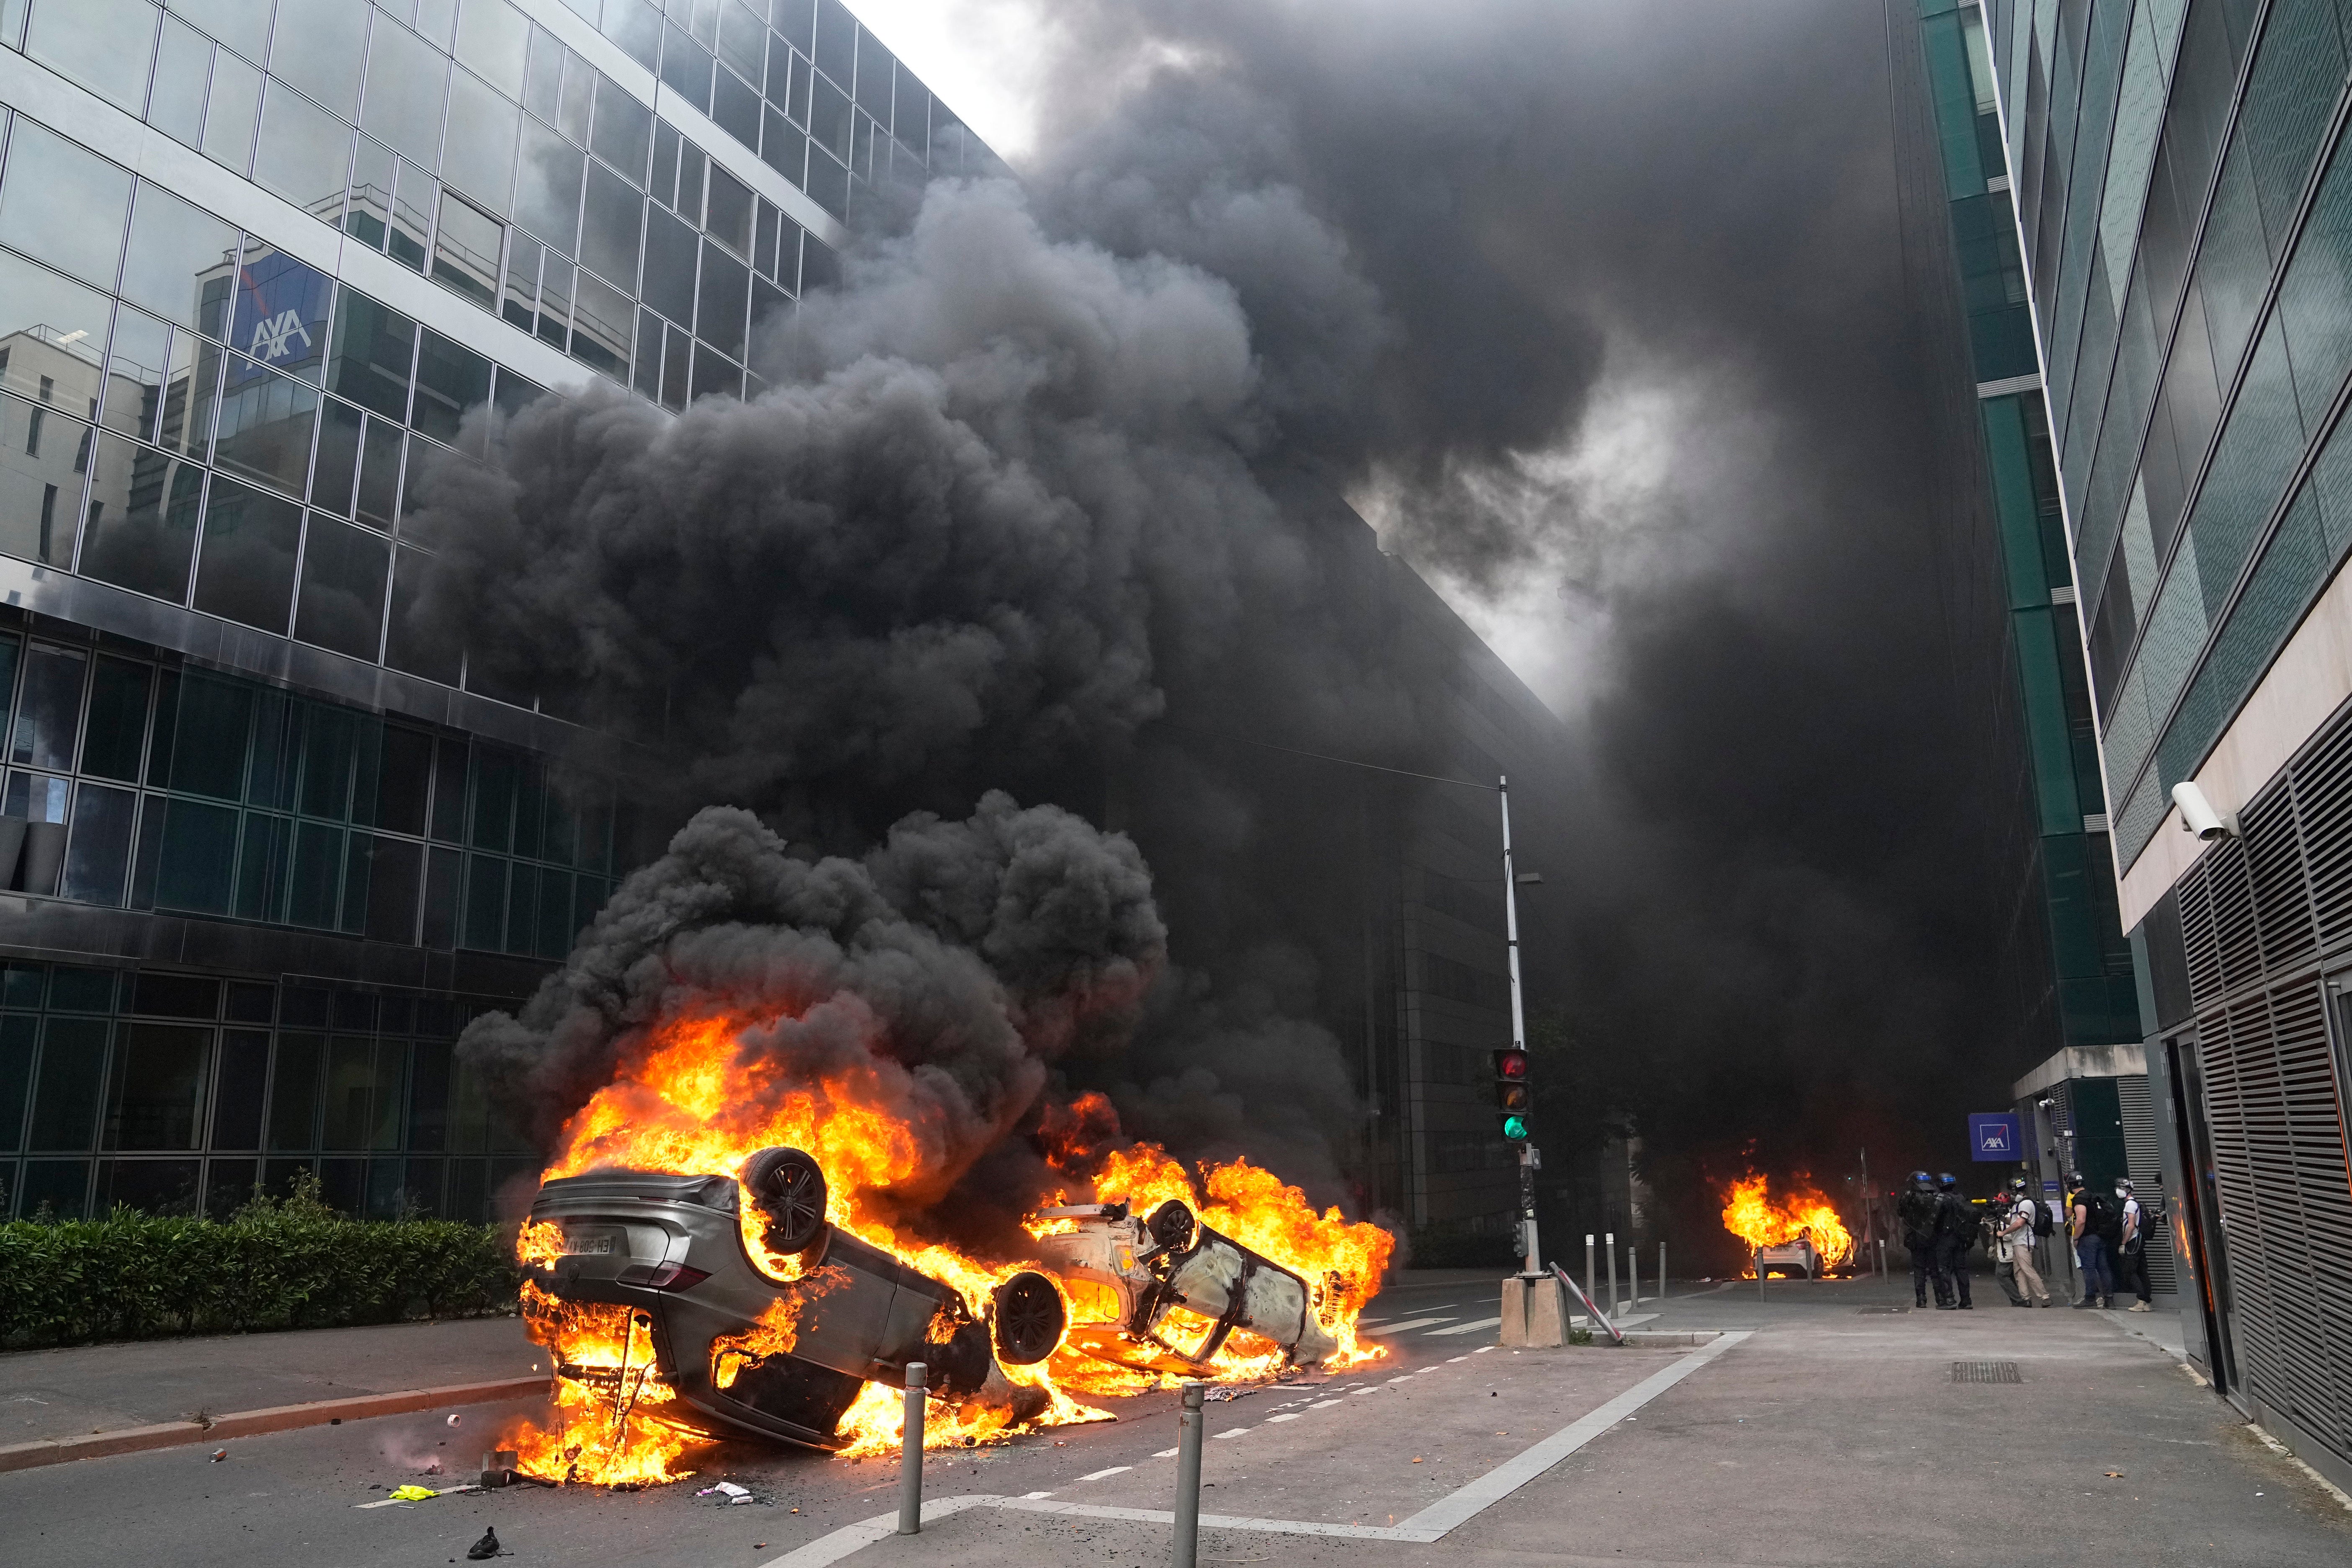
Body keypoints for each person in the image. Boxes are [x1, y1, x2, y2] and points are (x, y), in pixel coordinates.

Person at [1999, 1176, 2050, 1306]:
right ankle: (2026, 1299)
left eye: (2012, 1192)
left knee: (2027, 1270)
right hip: (2018, 1242)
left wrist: (2004, 1232)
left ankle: (2045, 1297)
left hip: (2024, 1242)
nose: (2011, 1195)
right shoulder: (2018, 1205)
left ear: (2018, 1192)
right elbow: (2014, 1221)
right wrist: (2002, 1217)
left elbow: (2020, 1223)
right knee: (2019, 1272)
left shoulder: (2026, 1204)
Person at [1898, 1171, 1945, 1308]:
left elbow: (1900, 1213)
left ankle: (1921, 1299)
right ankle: (1940, 1299)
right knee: (1935, 1269)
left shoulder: (1908, 1196)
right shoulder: (1937, 1196)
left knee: (1919, 1270)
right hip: (1933, 1238)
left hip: (1915, 1238)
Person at [2070, 1172, 2114, 1308]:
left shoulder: (2079, 1199)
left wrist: (2076, 1237)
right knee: (2103, 1269)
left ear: (2070, 1185)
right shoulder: (2092, 1196)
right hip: (2100, 1237)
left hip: (2088, 1238)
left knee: (2088, 1269)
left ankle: (2090, 1298)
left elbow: (2081, 1220)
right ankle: (2110, 1300)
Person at [1932, 1173, 1974, 1310]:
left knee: (1943, 1268)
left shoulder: (1941, 1199)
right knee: (1961, 1269)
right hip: (1961, 1238)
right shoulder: (1961, 1197)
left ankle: (1949, 1300)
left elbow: (1933, 1219)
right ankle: (1966, 1300)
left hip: (1945, 1238)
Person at [2112, 1178, 2153, 1312]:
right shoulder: (2133, 1204)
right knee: (2142, 1271)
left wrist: (2124, 1243)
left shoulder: (2130, 1204)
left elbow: (2130, 1226)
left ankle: (2142, 1300)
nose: (2119, 1191)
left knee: (2129, 1271)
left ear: (2128, 1191)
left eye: (2122, 1189)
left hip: (2133, 1241)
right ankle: (2146, 1302)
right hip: (2138, 1241)